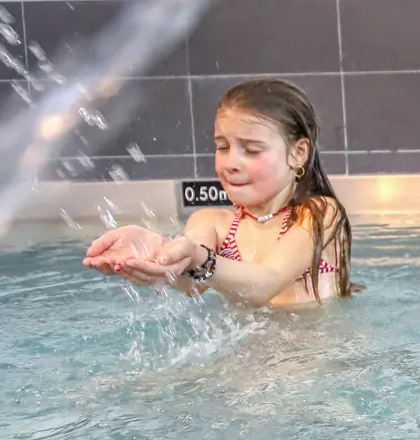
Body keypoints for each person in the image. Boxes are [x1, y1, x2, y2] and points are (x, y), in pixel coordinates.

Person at [83, 78, 360, 309]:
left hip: (314, 359)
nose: (231, 163)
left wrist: (199, 257)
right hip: (249, 356)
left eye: (251, 150)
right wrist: (154, 253)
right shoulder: (212, 223)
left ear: (298, 152)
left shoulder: (319, 214)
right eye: (222, 147)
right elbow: (192, 283)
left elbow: (264, 284)